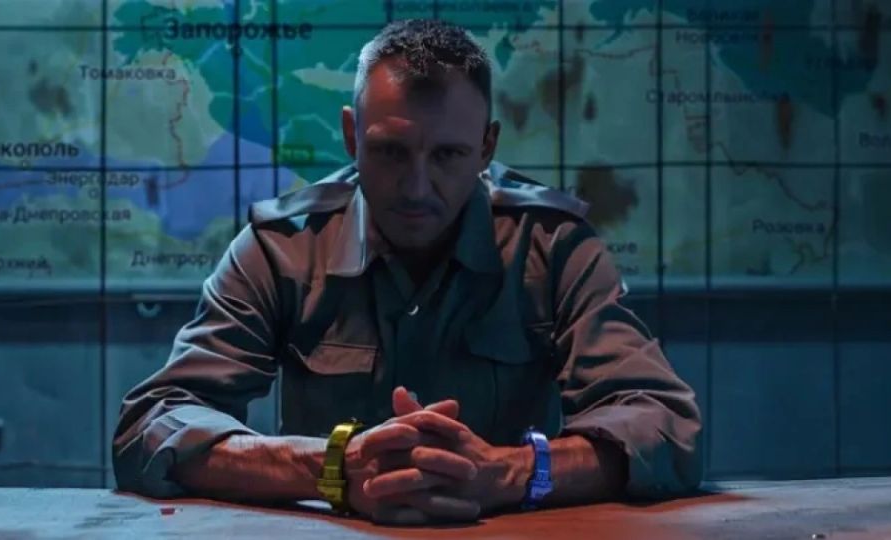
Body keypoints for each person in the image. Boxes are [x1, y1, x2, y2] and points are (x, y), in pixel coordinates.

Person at [113, 18, 702, 525]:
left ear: (487, 147)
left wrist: (510, 472)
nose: (417, 187)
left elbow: (665, 426)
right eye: (391, 151)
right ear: (351, 136)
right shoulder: (281, 250)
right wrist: (332, 468)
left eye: (447, 155)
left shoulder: (554, 247)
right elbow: (153, 424)